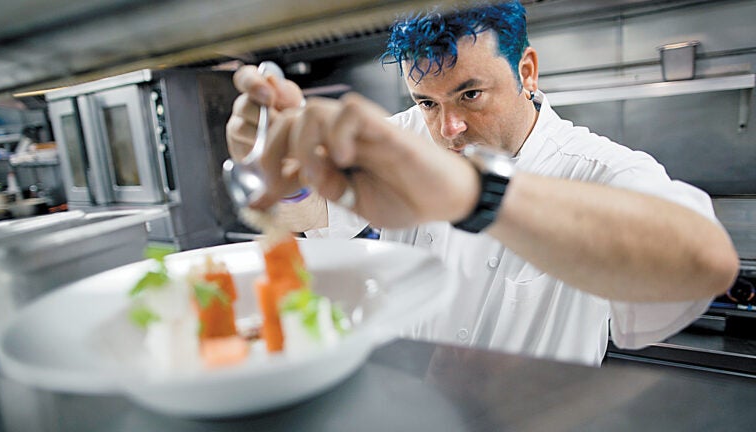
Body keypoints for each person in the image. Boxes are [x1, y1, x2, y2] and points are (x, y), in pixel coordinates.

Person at [226, 1, 739, 366]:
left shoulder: (598, 168)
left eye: (470, 94)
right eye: (427, 103)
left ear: (527, 71)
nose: (448, 129)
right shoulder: (401, 138)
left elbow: (708, 262)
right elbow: (313, 214)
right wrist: (285, 172)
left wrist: (477, 193)